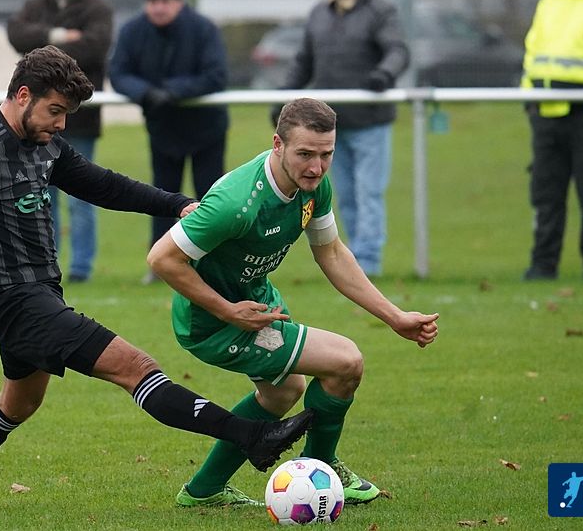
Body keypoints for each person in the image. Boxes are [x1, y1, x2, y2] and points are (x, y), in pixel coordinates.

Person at [0, 46, 314, 506]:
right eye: (55, 111)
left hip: (40, 293)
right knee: (135, 367)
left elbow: (103, 185)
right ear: (23, 95)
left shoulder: (43, 145)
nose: (61, 124)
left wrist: (178, 204)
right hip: (10, 301)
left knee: (19, 403)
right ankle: (251, 436)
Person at [148, 98, 439, 507]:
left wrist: (394, 317)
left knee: (283, 392)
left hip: (256, 305)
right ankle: (322, 468)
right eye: (305, 154)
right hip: (213, 322)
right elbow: (162, 259)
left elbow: (331, 253)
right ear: (278, 144)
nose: (316, 167)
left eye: (326, 154)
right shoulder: (236, 203)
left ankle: (203, 491)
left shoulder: (313, 186)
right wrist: (227, 311)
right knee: (345, 362)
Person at [278, 0, 409, 277]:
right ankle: (354, 260)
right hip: (330, 129)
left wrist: (384, 74)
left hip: (370, 120)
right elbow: (304, 62)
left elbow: (397, 51)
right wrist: (283, 97)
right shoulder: (319, 12)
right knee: (347, 196)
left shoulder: (379, 9)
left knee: (368, 192)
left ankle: (368, 262)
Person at [109, 0, 229, 284]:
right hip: (163, 129)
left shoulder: (203, 29)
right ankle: (160, 265)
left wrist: (173, 91)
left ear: (179, 2)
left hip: (206, 130)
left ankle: (215, 265)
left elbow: (215, 75)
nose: (158, 8)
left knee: (210, 199)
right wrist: (146, 93)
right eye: (153, 2)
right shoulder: (133, 31)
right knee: (161, 198)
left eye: (165, 1)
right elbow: (118, 73)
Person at [6, 0, 113, 283]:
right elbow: (17, 34)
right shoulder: (35, 4)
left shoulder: (97, 8)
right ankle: (45, 262)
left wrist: (42, 47)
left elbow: (95, 48)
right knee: (40, 194)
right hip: (37, 124)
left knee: (82, 196)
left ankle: (80, 268)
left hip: (82, 122)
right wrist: (61, 35)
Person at [520, 0, 583, 281]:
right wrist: (529, 101)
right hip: (547, 114)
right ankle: (543, 265)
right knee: (545, 193)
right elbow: (532, 52)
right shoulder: (550, 0)